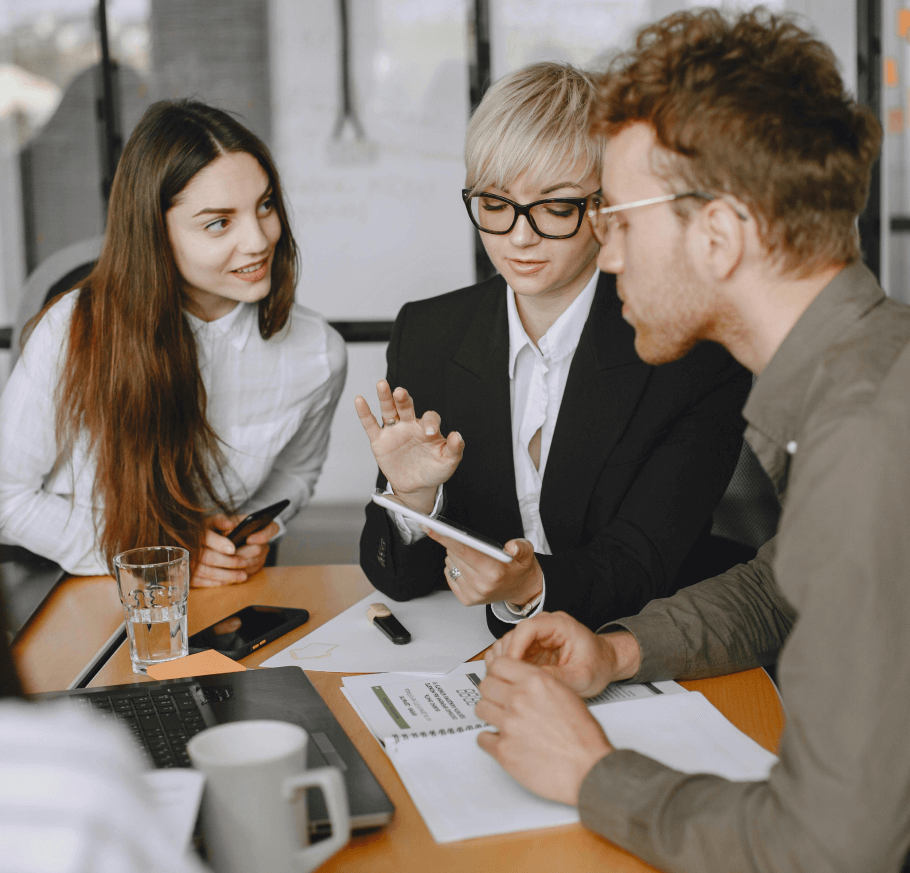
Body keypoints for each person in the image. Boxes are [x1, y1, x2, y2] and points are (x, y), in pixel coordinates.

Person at [475, 8, 910, 872]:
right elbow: (789, 583)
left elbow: (833, 845)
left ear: (720, 236)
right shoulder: (866, 362)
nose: (604, 257)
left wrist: (594, 772)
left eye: (621, 222)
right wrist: (622, 649)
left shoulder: (866, 432)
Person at [355, 62, 751, 638]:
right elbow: (400, 578)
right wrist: (415, 500)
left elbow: (645, 560)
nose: (519, 236)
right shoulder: (430, 333)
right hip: (473, 660)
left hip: (654, 647)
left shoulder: (689, 346)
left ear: (606, 207)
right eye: (494, 203)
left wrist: (528, 585)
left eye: (556, 208)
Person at [0, 101, 346, 587]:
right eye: (219, 223)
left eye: (265, 205)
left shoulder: (317, 353)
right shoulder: (70, 333)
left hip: (216, 598)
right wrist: (158, 555)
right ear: (154, 233)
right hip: (78, 586)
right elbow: (6, 496)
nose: (259, 240)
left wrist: (245, 533)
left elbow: (297, 474)